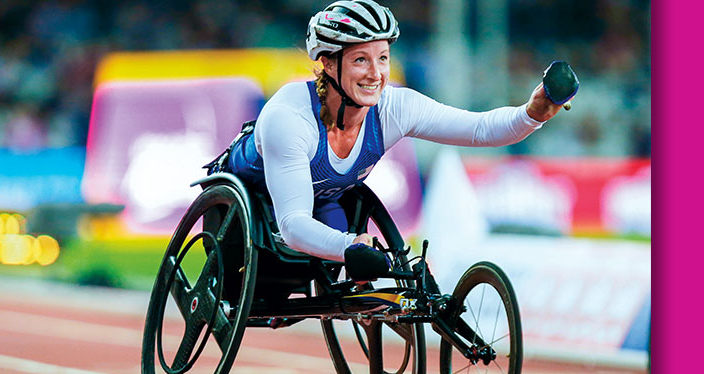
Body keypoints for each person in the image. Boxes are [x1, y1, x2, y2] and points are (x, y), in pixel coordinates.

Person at [224, 0, 568, 265]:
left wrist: (531, 113)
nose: (376, 74)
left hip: (325, 201)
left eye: (383, 58)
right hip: (253, 203)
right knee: (350, 246)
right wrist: (350, 246)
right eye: (361, 60)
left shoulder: (394, 107)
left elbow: (479, 129)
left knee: (363, 257)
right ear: (328, 63)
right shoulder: (290, 115)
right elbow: (293, 224)